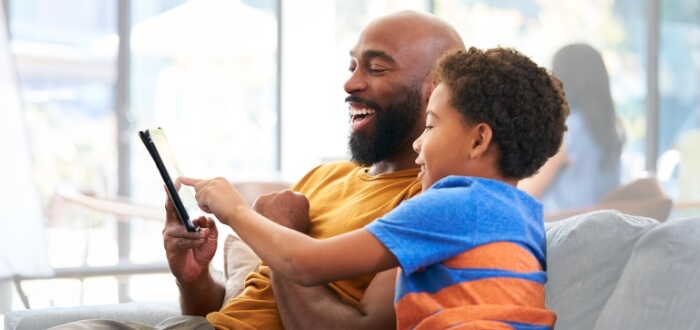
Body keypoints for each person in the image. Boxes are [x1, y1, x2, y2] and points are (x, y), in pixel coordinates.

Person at [47, 10, 466, 330]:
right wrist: (192, 279)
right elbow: (231, 316)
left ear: (435, 88)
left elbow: (363, 328)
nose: (350, 84)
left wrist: (283, 238)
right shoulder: (322, 179)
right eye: (352, 66)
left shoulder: (428, 202)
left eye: (375, 68)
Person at [182, 46, 568, 329]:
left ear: (478, 140)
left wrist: (235, 209)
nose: (419, 143)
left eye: (431, 126)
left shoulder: (451, 205)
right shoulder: (524, 217)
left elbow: (304, 262)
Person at [519, 43, 624, 214]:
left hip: (559, 233)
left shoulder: (566, 131)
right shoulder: (612, 131)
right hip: (601, 232)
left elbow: (526, 192)